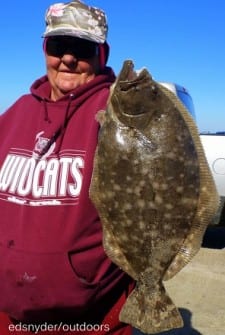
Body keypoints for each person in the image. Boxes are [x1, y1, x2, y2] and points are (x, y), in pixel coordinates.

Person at [0, 1, 134, 334]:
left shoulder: (122, 115)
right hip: (9, 312)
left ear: (102, 53)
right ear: (45, 49)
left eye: (82, 48)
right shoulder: (16, 112)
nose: (68, 58)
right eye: (59, 46)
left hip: (92, 316)